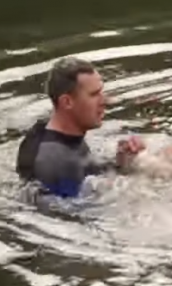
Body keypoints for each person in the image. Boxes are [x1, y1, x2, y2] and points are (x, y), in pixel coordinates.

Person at [15, 57, 145, 198]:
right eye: (94, 95)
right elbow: (77, 214)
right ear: (67, 102)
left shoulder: (49, 131)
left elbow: (87, 170)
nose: (104, 101)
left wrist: (122, 164)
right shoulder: (58, 161)